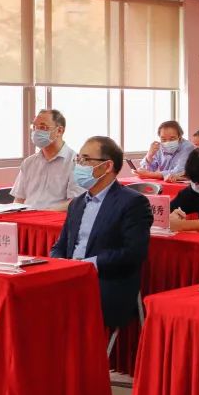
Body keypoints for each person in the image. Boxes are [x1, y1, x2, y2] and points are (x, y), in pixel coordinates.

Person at [50, 136, 152, 328]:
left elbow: (134, 252)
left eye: (86, 159)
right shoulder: (77, 203)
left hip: (106, 280)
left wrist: (88, 265)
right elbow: (60, 246)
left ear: (107, 166)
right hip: (71, 276)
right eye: (78, 159)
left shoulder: (133, 203)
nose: (79, 165)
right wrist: (61, 265)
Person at [11, 109, 84, 210]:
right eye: (34, 127)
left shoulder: (77, 162)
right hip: (27, 216)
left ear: (59, 131)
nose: (36, 132)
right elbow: (19, 199)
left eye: (42, 127)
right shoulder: (28, 162)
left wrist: (43, 213)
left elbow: (75, 202)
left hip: (55, 217)